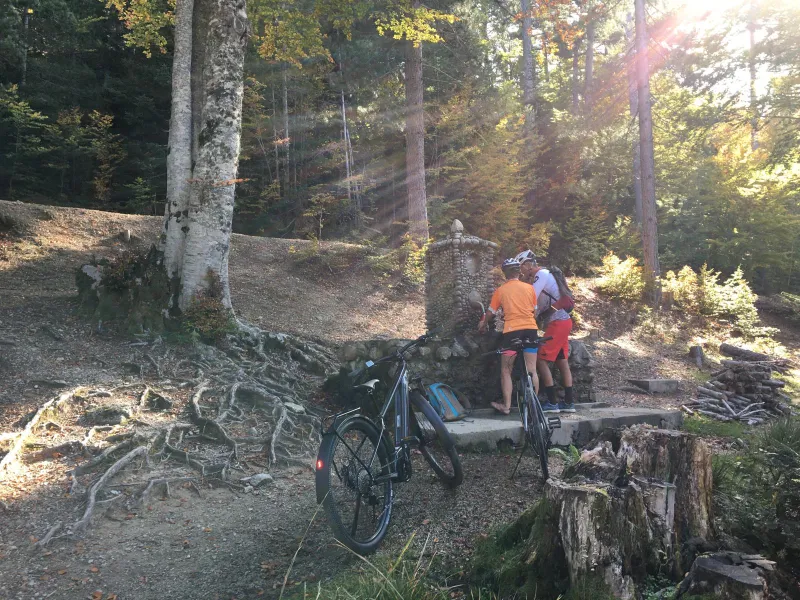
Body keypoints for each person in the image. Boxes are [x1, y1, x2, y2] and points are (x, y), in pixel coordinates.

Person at [478, 258, 539, 415]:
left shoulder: (501, 290)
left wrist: (483, 325)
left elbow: (490, 312)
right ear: (518, 272)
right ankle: (535, 405)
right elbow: (535, 312)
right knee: (532, 369)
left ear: (505, 274)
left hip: (512, 332)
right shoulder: (530, 288)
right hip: (531, 330)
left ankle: (506, 406)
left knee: (506, 369)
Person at [516, 250, 575, 413]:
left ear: (528, 265)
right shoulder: (544, 275)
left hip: (558, 323)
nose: (521, 271)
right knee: (562, 362)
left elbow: (531, 297)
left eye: (521, 267)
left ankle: (552, 402)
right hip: (563, 321)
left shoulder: (541, 274)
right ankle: (569, 403)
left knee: (540, 360)